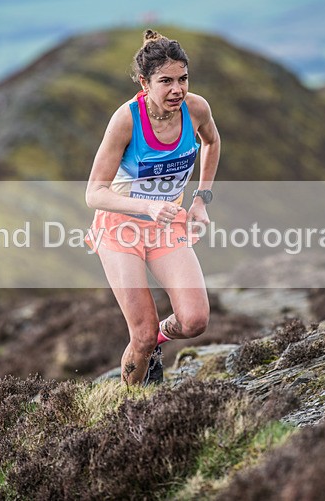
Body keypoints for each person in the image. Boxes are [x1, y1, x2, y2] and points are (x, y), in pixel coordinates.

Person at [85, 29, 221, 385]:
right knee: (140, 336)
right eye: (166, 81)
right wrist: (146, 206)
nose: (177, 89)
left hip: (166, 227)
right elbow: (94, 193)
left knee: (194, 321)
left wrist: (201, 200)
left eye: (183, 79)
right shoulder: (126, 120)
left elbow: (212, 142)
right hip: (119, 229)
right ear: (145, 83)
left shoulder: (196, 108)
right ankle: (131, 407)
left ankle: (159, 339)